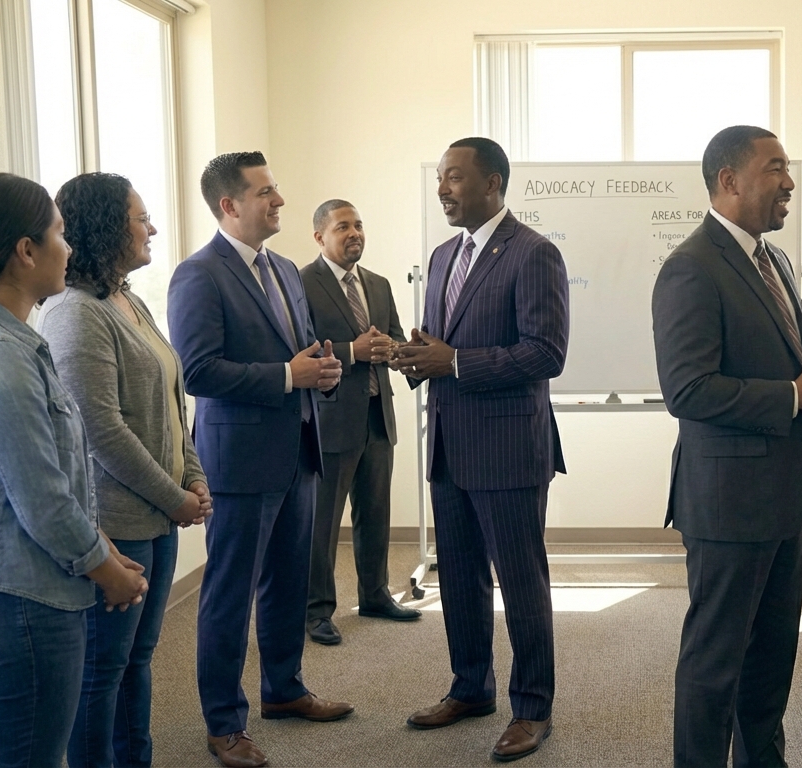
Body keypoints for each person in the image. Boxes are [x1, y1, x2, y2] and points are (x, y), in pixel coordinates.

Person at [0, 173, 148, 767]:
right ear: (26, 251)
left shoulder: (7, 339)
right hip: (19, 602)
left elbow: (55, 478)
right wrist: (107, 570)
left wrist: (103, 550)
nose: (68, 250)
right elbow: (43, 497)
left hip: (27, 594)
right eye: (60, 234)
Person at [653, 125, 802, 767]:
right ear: (729, 181)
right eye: (775, 169)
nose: (789, 182)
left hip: (782, 495)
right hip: (727, 503)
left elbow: (777, 366)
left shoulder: (772, 260)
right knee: (716, 664)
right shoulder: (691, 267)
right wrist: (795, 397)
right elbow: (688, 390)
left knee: (771, 658)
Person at [167, 152, 350, 768]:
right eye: (266, 192)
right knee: (228, 594)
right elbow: (198, 372)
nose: (278, 201)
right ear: (229, 205)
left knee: (287, 582)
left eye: (277, 188)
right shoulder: (198, 274)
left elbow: (298, 354)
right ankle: (224, 723)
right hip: (239, 460)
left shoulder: (284, 270)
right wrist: (284, 374)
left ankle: (284, 689)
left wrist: (320, 373)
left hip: (298, 449)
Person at [392, 137, 568, 762]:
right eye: (439, 178)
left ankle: (532, 707)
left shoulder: (533, 254)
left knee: (521, 582)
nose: (442, 188)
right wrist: (419, 356)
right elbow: (444, 345)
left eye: (454, 179)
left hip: (509, 449)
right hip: (448, 444)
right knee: (460, 579)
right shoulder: (441, 257)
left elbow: (546, 353)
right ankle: (471, 688)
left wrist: (455, 359)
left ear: (492, 183)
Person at [40, 172, 212, 767]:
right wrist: (175, 497)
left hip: (158, 515)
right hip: (118, 520)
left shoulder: (128, 298)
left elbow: (172, 396)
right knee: (103, 669)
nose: (153, 228)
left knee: (137, 659)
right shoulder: (74, 313)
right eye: (142, 218)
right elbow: (101, 430)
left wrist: (194, 477)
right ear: (109, 227)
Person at [300, 198, 417, 647]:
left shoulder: (380, 284)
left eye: (359, 226)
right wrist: (354, 351)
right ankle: (317, 611)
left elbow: (391, 340)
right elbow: (302, 347)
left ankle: (374, 595)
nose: (355, 234)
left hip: (377, 416)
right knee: (324, 522)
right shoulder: (302, 283)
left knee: (375, 514)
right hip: (330, 418)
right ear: (320, 237)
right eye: (343, 227)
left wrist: (400, 351)